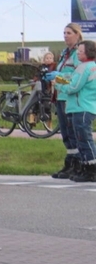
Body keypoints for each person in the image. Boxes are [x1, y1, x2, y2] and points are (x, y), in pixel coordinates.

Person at [47, 24, 84, 179]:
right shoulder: (65, 53)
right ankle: (70, 163)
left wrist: (58, 77)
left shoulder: (78, 53)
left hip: (70, 97)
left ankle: (78, 164)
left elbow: (77, 78)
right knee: (66, 133)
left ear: (77, 34)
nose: (65, 36)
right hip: (61, 96)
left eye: (69, 33)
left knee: (73, 132)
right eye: (64, 33)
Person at [59, 40, 96, 182]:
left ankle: (91, 169)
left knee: (83, 139)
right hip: (87, 106)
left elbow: (73, 87)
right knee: (83, 139)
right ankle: (86, 166)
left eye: (80, 51)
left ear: (88, 52)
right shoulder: (92, 66)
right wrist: (59, 78)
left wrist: (57, 83)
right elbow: (74, 82)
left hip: (81, 107)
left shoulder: (83, 68)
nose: (78, 54)